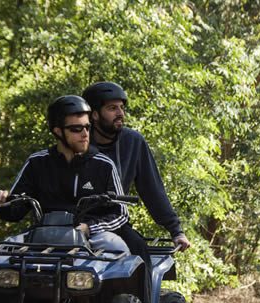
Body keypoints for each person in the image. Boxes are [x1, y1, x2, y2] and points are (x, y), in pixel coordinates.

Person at [0, 95, 129, 256]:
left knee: (119, 250)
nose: (85, 134)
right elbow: (16, 211)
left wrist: (89, 227)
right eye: (76, 129)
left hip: (93, 235)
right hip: (42, 234)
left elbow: (121, 213)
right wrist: (1, 203)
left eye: (87, 127)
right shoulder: (37, 162)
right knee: (3, 252)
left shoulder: (104, 165)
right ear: (58, 131)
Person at [81, 81, 191, 256]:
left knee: (139, 251)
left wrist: (176, 230)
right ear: (94, 114)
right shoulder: (78, 142)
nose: (120, 113)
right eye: (112, 108)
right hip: (76, 222)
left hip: (115, 221)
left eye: (121, 107)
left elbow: (152, 189)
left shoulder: (133, 141)